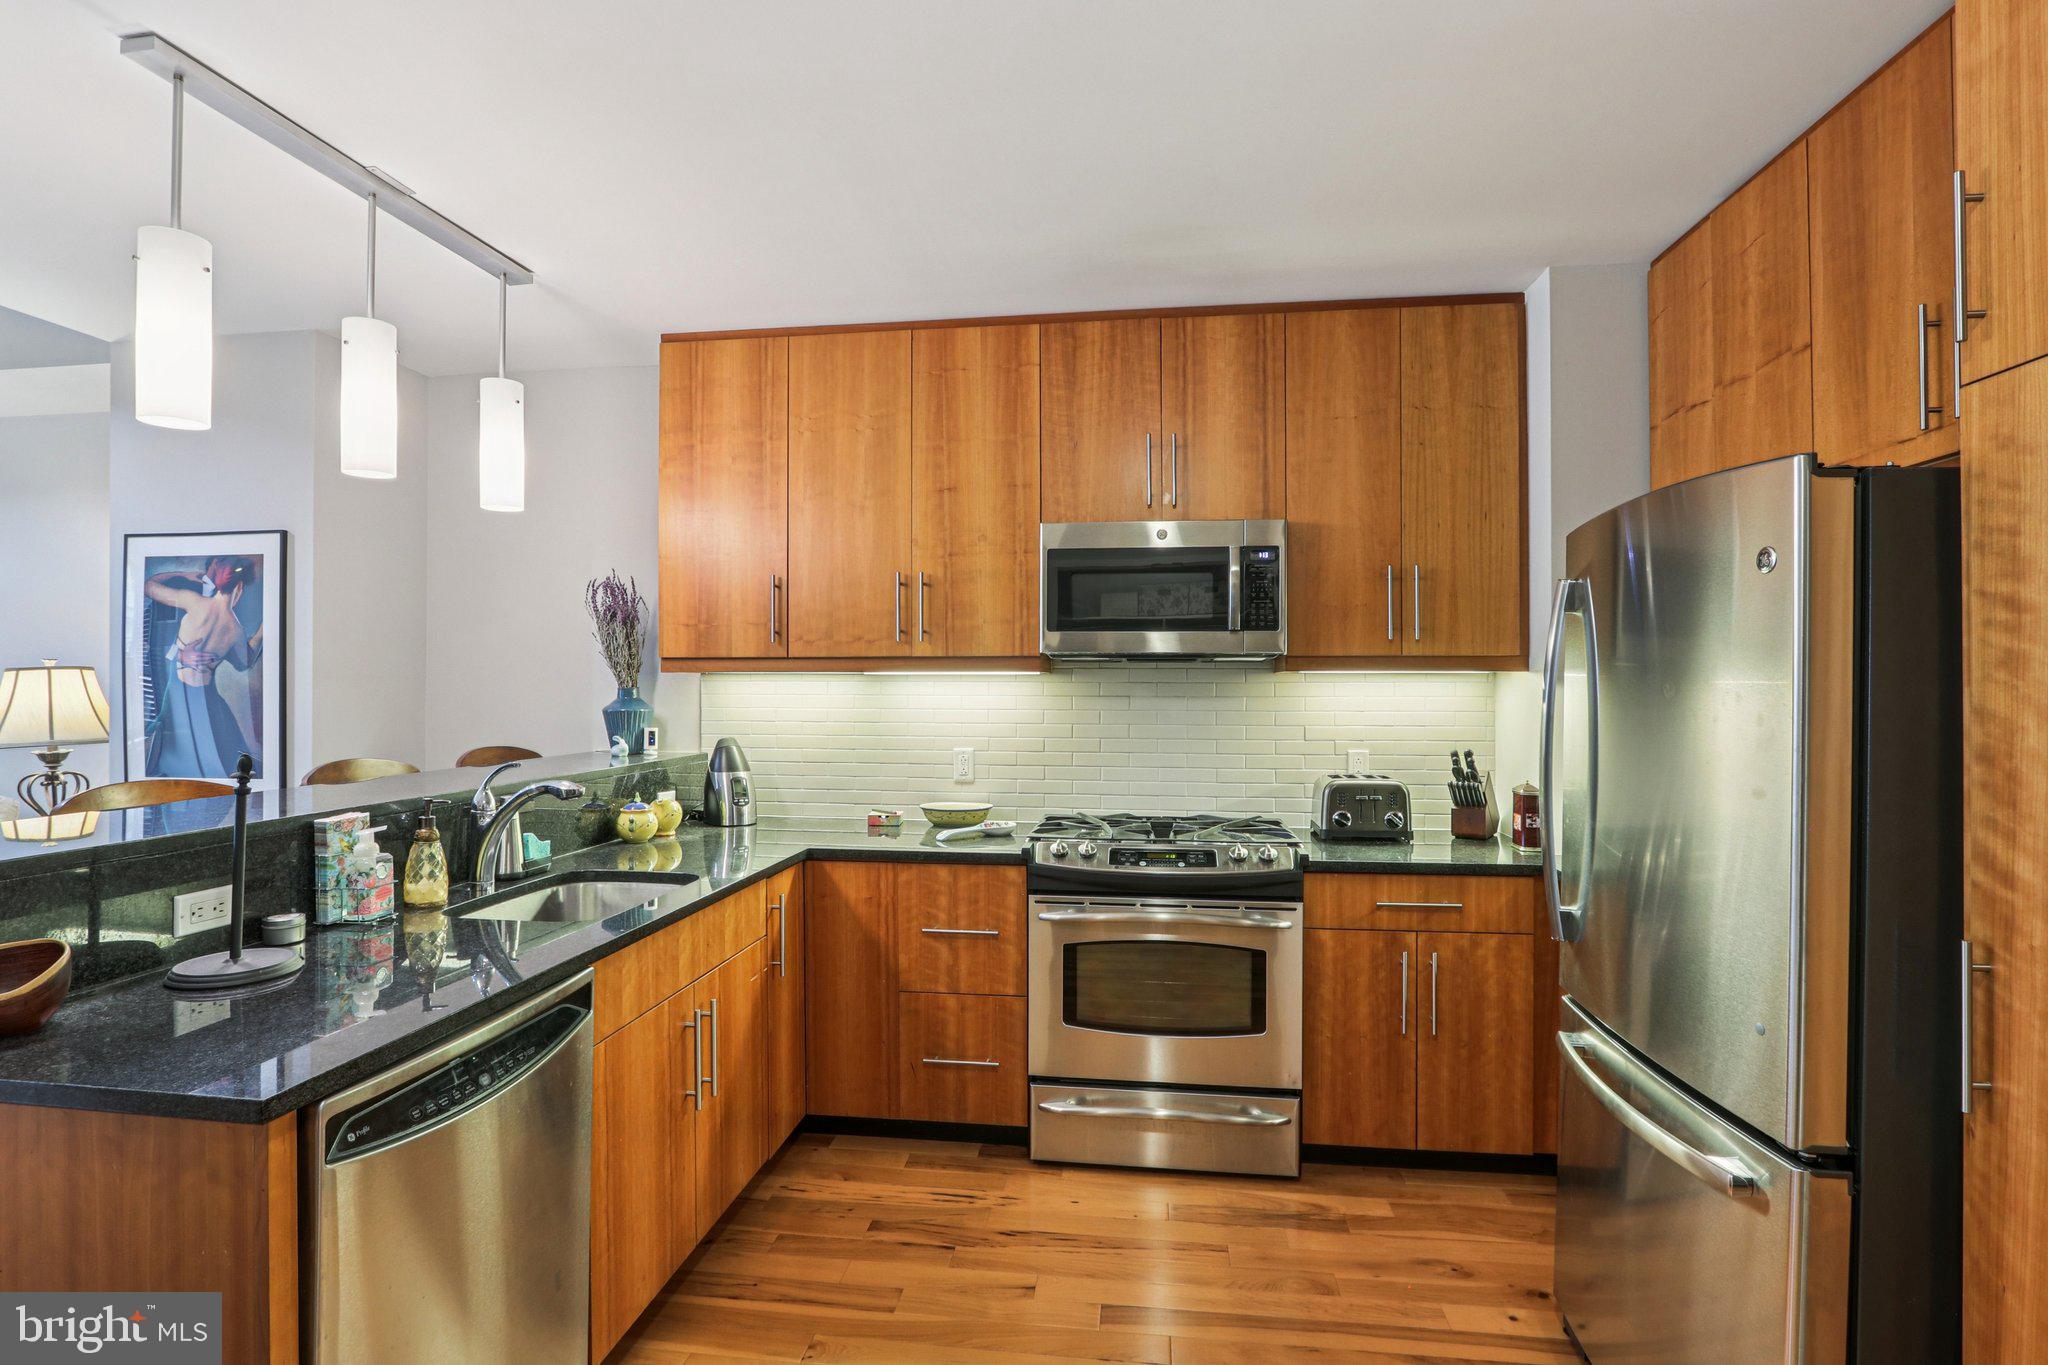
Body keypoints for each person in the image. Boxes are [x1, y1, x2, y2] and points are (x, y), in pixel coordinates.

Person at [143, 557, 264, 779]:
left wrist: (183, 575)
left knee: (197, 755)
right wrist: (261, 632)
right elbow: (244, 662)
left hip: (183, 691)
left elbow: (148, 586)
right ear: (239, 587)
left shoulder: (194, 602)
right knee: (220, 755)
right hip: (202, 697)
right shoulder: (235, 629)